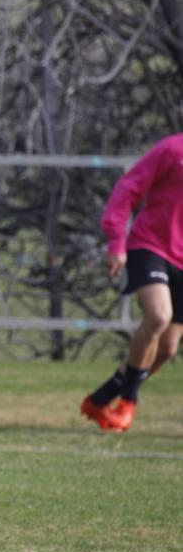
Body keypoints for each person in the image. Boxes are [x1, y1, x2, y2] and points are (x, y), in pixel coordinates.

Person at [80, 135, 183, 432]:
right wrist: (116, 242)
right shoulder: (172, 150)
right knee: (158, 316)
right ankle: (128, 404)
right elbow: (129, 188)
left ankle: (100, 400)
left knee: (166, 348)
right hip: (151, 247)